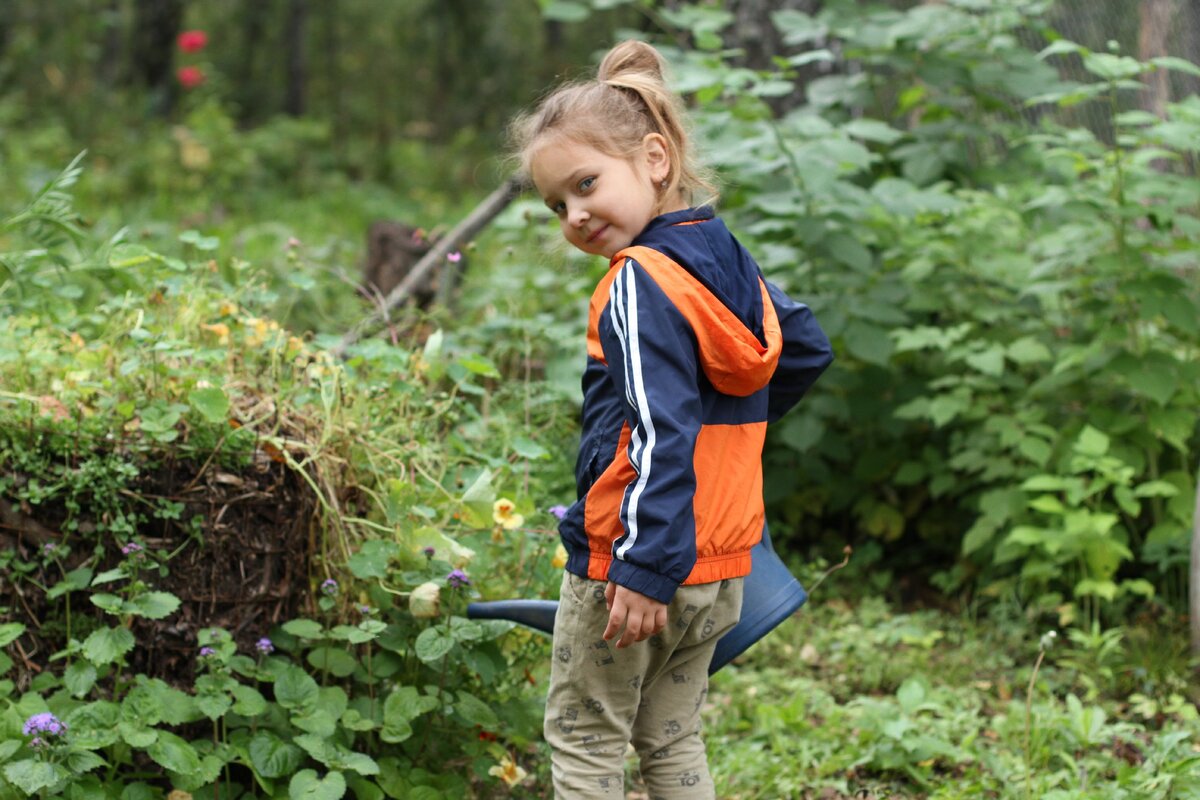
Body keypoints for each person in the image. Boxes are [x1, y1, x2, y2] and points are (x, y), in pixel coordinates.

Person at [511, 39, 833, 799]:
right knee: (670, 732)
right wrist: (731, 427)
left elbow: (658, 431)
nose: (575, 214)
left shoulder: (637, 282)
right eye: (558, 204)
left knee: (589, 734)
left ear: (655, 159)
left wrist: (645, 564)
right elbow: (804, 347)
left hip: (637, 561)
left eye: (586, 184)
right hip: (723, 562)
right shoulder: (721, 256)